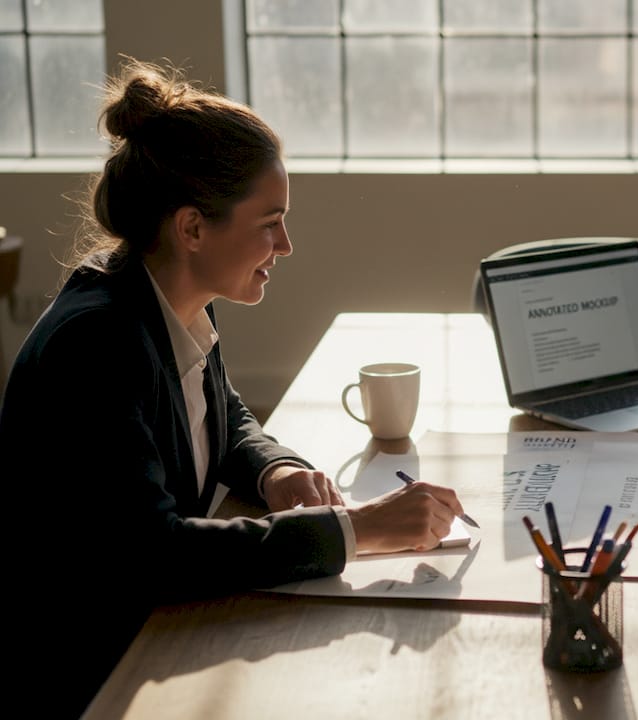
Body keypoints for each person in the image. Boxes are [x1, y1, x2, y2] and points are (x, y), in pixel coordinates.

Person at [0, 59, 467, 717]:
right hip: (91, 674)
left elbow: (217, 411)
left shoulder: (171, 293)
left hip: (156, 630)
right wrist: (356, 531)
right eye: (269, 221)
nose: (287, 244)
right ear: (192, 228)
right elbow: (154, 555)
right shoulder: (95, 345)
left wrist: (272, 466)